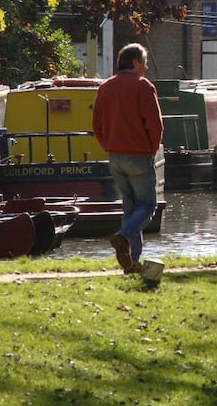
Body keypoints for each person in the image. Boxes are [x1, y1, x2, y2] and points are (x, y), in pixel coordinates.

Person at [92, 43, 164, 274]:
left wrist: (108, 146)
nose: (146, 66)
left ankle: (133, 262)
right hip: (139, 154)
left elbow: (97, 125)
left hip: (115, 157)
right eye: (144, 62)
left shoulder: (105, 87)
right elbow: (155, 124)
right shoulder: (143, 86)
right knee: (148, 205)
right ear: (134, 63)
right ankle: (123, 237)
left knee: (130, 208)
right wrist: (152, 151)